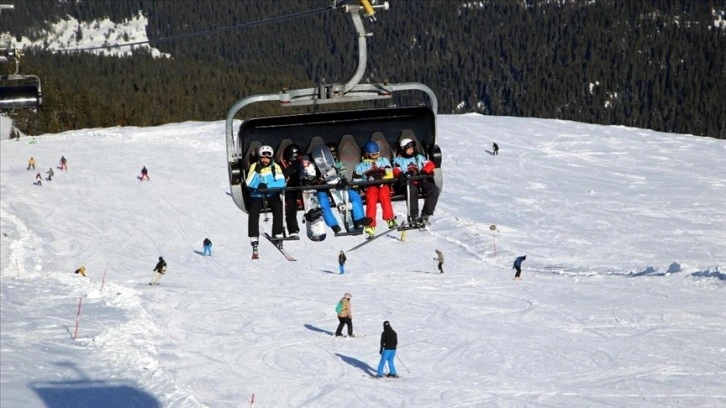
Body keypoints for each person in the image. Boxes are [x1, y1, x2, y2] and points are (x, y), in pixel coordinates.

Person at [245, 145, 286, 252]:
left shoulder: (275, 167)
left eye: (267, 158)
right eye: (263, 158)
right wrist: (257, 177)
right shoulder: (254, 166)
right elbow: (248, 183)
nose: (265, 160)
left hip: (271, 194)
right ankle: (254, 236)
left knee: (278, 207)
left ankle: (277, 233)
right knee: (253, 210)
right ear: (259, 157)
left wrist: (267, 186)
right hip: (256, 195)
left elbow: (281, 182)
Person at [353, 141, 397, 238]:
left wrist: (384, 176)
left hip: (383, 184)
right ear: (367, 154)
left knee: (384, 195)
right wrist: (362, 184)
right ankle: (370, 224)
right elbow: (356, 180)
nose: (376, 156)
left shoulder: (383, 161)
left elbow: (390, 174)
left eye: (377, 154)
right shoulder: (360, 166)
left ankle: (390, 218)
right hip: (370, 186)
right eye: (373, 155)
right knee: (371, 199)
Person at [392, 138, 439, 227]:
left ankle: (425, 214)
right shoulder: (398, 160)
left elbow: (430, 164)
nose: (411, 150)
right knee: (412, 190)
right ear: (403, 149)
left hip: (420, 180)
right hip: (408, 182)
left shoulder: (418, 157)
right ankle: (413, 216)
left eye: (412, 148)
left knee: (434, 190)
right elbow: (395, 168)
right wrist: (400, 174)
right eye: (409, 149)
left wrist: (424, 171)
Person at [279, 144, 302, 237]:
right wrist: (292, 167)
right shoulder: (281, 164)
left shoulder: (301, 163)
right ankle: (293, 229)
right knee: (291, 206)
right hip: (288, 190)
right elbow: (282, 176)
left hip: (301, 187)